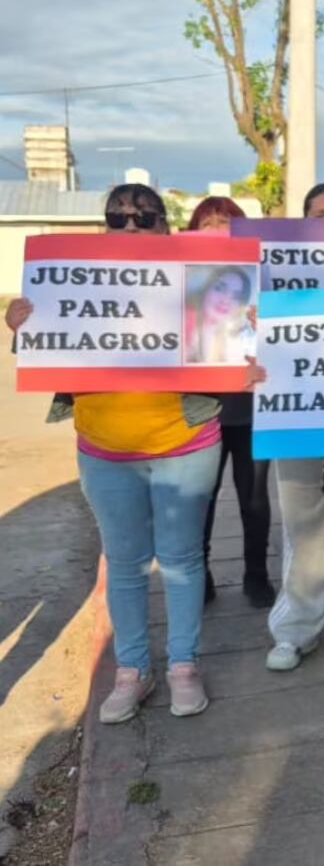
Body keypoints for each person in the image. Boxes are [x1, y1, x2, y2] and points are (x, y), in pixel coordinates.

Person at [5, 184, 219, 723]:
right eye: (117, 217)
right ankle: (132, 670)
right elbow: (43, 351)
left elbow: (233, 346)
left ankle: (183, 666)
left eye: (144, 216)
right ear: (103, 225)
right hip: (103, 449)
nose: (130, 226)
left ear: (165, 227)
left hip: (184, 441)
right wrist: (24, 326)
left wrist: (245, 331)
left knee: (181, 559)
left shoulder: (199, 281)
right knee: (123, 563)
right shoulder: (72, 279)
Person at [264, 182, 324, 671]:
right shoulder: (273, 271)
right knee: (304, 527)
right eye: (320, 214)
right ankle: (296, 629)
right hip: (296, 412)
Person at [187, 198, 276, 609]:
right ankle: (199, 573)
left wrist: (268, 323)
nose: (218, 230)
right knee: (200, 497)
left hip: (252, 409)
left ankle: (256, 574)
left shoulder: (262, 277)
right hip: (201, 410)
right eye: (208, 223)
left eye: (227, 223)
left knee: (254, 498)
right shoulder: (181, 286)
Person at [183, 266, 255, 365]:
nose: (226, 300)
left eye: (236, 296)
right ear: (205, 288)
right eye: (219, 289)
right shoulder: (184, 319)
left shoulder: (232, 337)